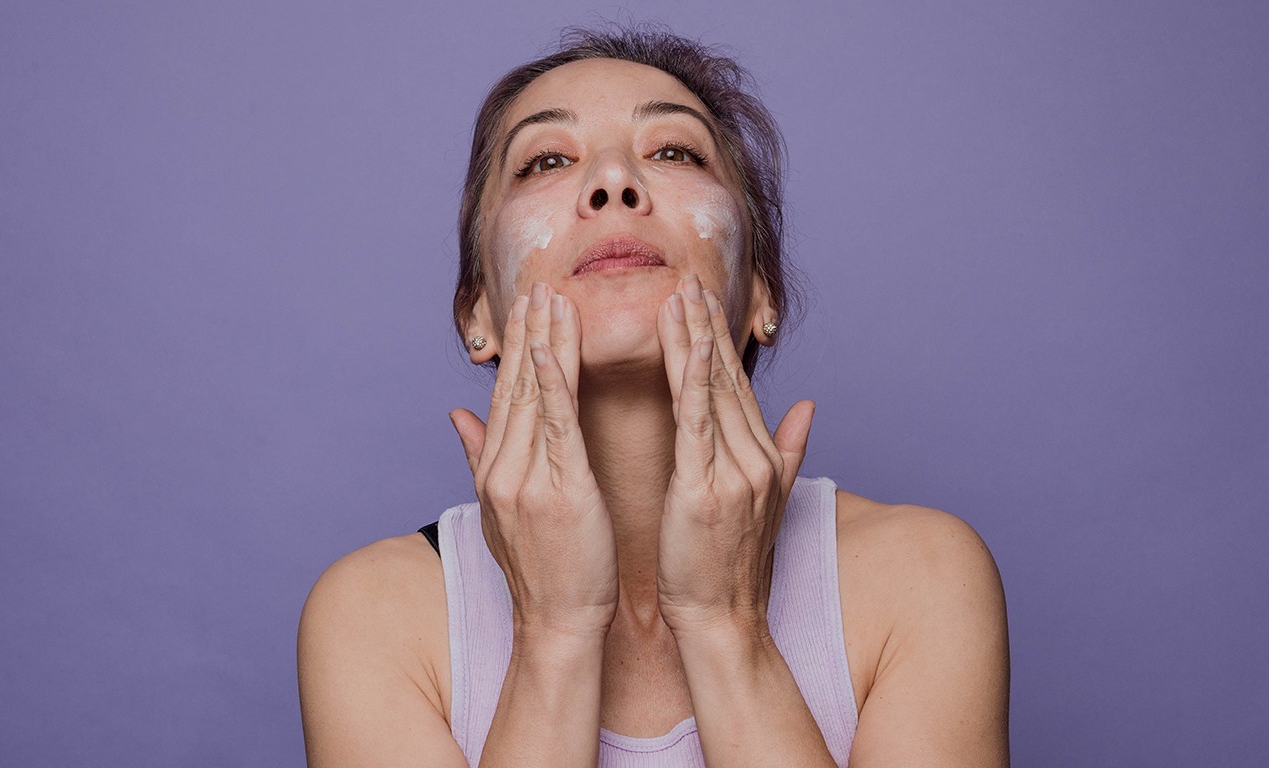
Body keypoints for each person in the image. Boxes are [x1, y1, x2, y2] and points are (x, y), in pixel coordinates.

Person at [297, 25, 1009, 767]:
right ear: (478, 314)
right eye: (546, 161)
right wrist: (555, 632)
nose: (612, 180)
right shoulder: (373, 617)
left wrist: (725, 625)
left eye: (673, 152)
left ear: (762, 291)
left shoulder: (922, 576)